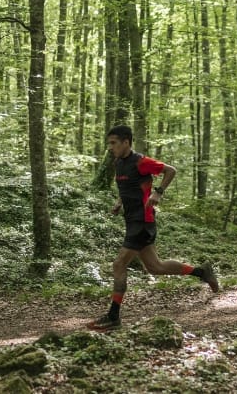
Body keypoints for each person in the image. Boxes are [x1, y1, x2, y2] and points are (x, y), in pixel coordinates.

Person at [88, 124, 219, 332]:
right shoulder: (119, 162)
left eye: (113, 143)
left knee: (119, 264)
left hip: (143, 221)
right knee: (155, 267)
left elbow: (170, 171)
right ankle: (202, 272)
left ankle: (113, 316)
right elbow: (129, 186)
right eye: (109, 143)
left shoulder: (141, 161)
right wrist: (119, 202)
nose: (110, 147)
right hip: (132, 220)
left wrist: (158, 192)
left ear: (126, 142)